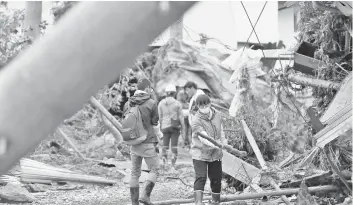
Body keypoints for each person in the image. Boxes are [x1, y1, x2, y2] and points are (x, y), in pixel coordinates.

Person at [190, 94, 246, 205]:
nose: (204, 107)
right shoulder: (196, 120)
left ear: (209, 103)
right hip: (200, 153)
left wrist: (224, 144)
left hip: (216, 154)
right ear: (197, 106)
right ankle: (198, 203)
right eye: (201, 106)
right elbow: (203, 138)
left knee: (216, 179)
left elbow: (221, 132)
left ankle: (215, 202)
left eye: (206, 104)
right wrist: (217, 145)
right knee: (201, 177)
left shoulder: (217, 115)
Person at [123, 78, 163, 205]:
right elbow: (155, 124)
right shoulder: (151, 103)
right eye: (150, 88)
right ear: (146, 89)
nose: (151, 90)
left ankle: (135, 203)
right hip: (148, 141)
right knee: (154, 169)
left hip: (133, 143)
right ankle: (145, 196)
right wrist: (160, 137)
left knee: (135, 172)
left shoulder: (128, 103)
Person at [158, 84, 186, 168]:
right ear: (174, 93)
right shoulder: (177, 103)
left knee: (165, 145)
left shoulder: (161, 103)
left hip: (164, 126)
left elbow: (159, 117)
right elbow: (181, 117)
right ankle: (173, 164)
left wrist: (160, 127)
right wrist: (183, 127)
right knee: (174, 145)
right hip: (175, 127)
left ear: (166, 93)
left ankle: (164, 162)